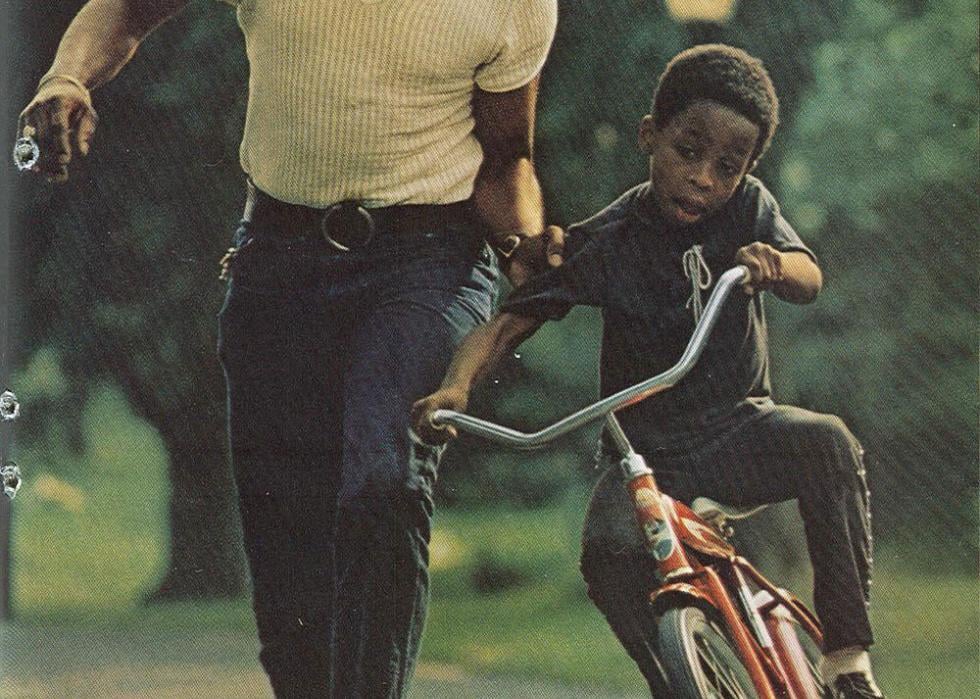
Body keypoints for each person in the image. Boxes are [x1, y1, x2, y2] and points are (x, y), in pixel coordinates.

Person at [17, 0, 562, 696]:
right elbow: (126, 10)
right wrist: (66, 76)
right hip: (279, 258)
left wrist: (523, 250)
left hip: (429, 260)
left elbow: (507, 159)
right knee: (286, 543)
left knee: (385, 477)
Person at [412, 44, 884, 699]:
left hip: (738, 432)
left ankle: (847, 659)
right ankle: (676, 679)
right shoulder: (610, 239)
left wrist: (775, 265)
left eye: (727, 166)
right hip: (646, 459)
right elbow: (507, 325)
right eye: (687, 151)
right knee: (607, 555)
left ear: (747, 170)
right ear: (648, 135)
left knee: (829, 443)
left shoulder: (747, 208)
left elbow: (809, 275)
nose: (703, 179)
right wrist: (455, 386)